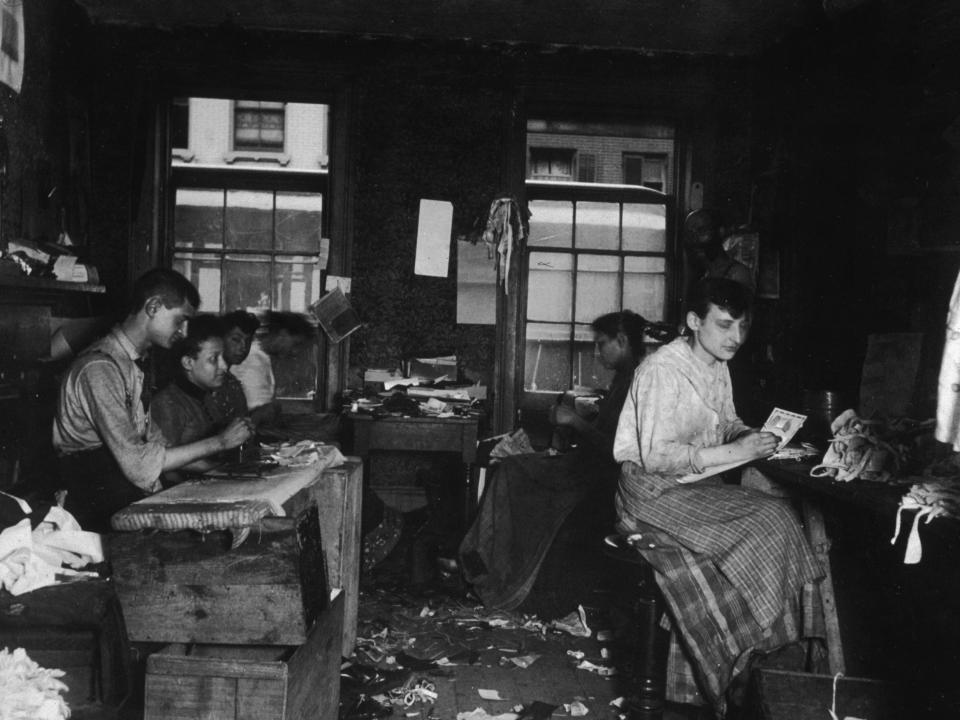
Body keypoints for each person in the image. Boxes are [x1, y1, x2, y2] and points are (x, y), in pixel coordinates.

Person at [612, 278, 822, 714]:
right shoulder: (660, 370)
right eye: (725, 325)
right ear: (693, 321)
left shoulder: (716, 365)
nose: (736, 338)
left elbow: (724, 420)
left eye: (742, 327)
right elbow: (656, 456)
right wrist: (735, 452)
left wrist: (749, 435)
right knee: (770, 519)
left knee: (779, 512)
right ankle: (749, 658)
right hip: (650, 491)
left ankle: (766, 659)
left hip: (692, 485)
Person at [459, 310, 647, 611]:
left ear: (622, 341)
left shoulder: (638, 381)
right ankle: (482, 562)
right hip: (587, 467)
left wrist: (575, 421)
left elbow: (618, 450)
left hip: (600, 479)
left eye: (601, 344)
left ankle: (491, 569)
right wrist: (585, 418)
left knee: (511, 472)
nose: (598, 353)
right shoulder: (623, 378)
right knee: (510, 467)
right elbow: (609, 429)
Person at [52, 268, 254, 532]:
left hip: (117, 494)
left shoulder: (133, 364)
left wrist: (220, 473)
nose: (183, 332)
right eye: (180, 321)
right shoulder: (99, 368)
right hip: (93, 508)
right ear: (153, 307)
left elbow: (158, 446)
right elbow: (140, 466)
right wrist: (219, 442)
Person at [150, 315, 249, 486]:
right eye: (213, 359)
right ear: (188, 363)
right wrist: (220, 469)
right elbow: (164, 463)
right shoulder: (167, 402)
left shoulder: (205, 396)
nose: (224, 367)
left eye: (223, 358)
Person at [229, 310, 316, 426]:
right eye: (296, 344)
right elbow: (254, 414)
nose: (295, 351)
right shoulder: (253, 359)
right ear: (283, 334)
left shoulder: (263, 358)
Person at [683, 208, 754, 291]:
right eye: (690, 234)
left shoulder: (737, 274)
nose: (695, 239)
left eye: (702, 231)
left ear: (720, 232)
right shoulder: (700, 274)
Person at [210, 310, 260, 422]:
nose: (243, 347)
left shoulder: (232, 382)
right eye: (236, 340)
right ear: (220, 339)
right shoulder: (209, 379)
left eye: (248, 341)